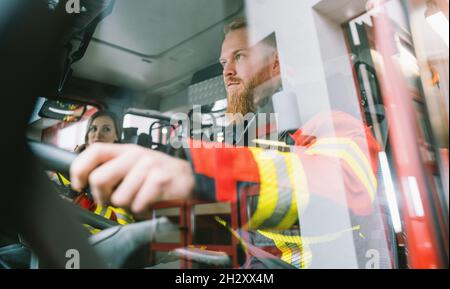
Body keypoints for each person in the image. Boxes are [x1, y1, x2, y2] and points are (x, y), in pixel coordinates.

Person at [70, 19, 380, 265]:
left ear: (275, 64)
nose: (227, 72)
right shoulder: (246, 146)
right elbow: (214, 224)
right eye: (222, 63)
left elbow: (348, 184)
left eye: (239, 57)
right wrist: (134, 196)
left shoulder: (329, 123)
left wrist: (194, 171)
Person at [59, 110, 134, 232]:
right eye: (93, 128)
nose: (98, 135)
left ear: (116, 136)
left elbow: (122, 226)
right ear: (87, 135)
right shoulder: (64, 165)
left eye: (106, 129)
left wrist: (84, 202)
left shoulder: (123, 175)